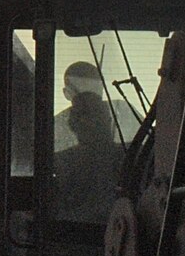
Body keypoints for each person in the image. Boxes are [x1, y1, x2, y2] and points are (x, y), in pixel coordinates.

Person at [55, 90, 126, 225]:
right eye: (84, 115)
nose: (91, 121)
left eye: (97, 114)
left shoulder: (132, 159)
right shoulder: (60, 164)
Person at [54, 60, 139, 151]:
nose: (89, 102)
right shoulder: (124, 112)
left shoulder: (54, 127)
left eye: (92, 89)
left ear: (66, 93)